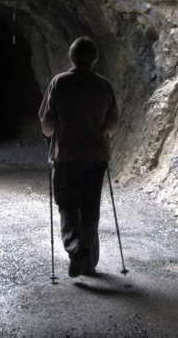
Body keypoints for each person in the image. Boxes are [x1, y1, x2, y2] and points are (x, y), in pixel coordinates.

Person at [38, 36, 118, 277]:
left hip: (67, 155)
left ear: (71, 57)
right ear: (95, 59)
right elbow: (112, 123)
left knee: (68, 204)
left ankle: (76, 249)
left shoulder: (59, 83)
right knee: (90, 205)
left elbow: (47, 124)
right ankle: (90, 261)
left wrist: (52, 134)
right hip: (96, 155)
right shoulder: (104, 85)